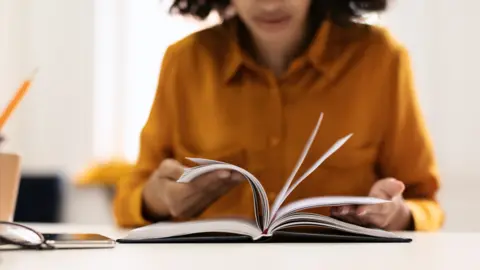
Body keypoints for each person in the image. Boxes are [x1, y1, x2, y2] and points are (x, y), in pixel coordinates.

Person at [113, 0, 444, 231]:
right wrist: (157, 200)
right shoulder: (184, 62)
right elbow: (130, 196)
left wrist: (398, 214)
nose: (270, 3)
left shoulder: (382, 59)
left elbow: (424, 203)